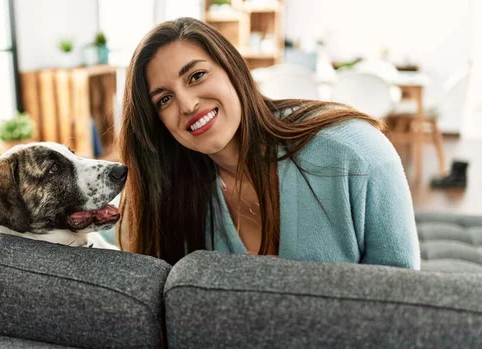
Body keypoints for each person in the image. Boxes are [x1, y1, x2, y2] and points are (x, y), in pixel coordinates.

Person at [115, 17, 420, 269]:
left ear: (233, 70)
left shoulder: (355, 152)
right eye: (164, 99)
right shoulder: (167, 191)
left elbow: (399, 303)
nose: (187, 104)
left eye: (196, 76)